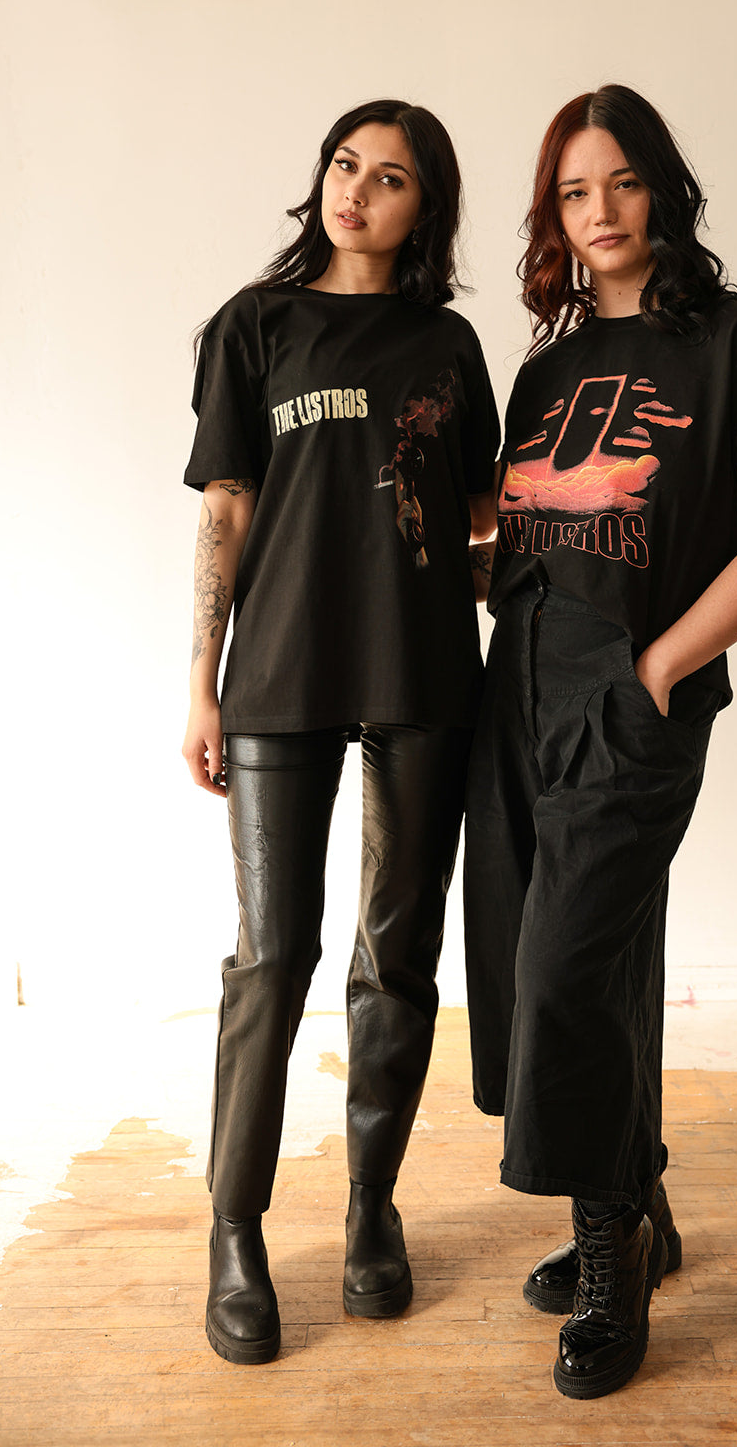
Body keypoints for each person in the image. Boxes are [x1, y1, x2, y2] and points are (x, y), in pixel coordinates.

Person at [463, 85, 737, 1400]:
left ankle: (610, 1259)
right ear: (551, 216)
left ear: (660, 186)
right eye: (571, 191)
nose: (597, 210)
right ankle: (640, 1205)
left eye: (618, 181)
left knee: (564, 973)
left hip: (631, 692)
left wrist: (661, 667)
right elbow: (523, 535)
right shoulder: (544, 371)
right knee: (568, 965)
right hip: (519, 685)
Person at [182, 99, 499, 1365]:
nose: (356, 189)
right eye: (343, 164)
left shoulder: (446, 344)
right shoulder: (253, 327)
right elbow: (226, 511)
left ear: (427, 209)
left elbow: (477, 512)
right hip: (278, 670)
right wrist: (199, 682)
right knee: (272, 957)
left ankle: (372, 1206)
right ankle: (234, 1229)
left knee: (398, 955)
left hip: (422, 670)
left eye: (391, 177)